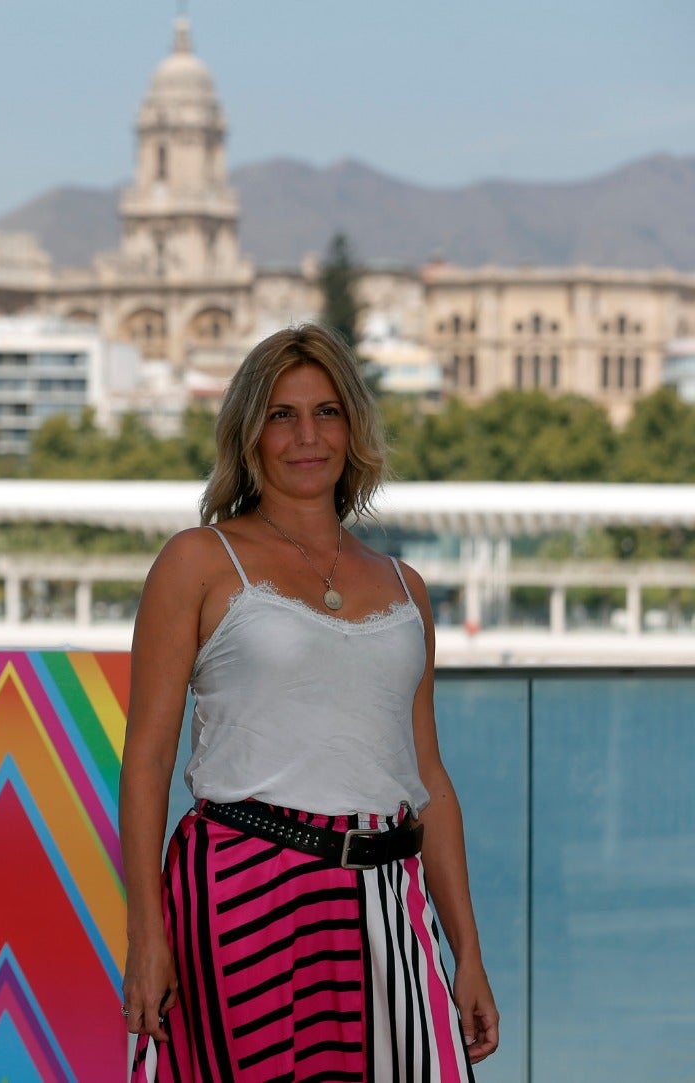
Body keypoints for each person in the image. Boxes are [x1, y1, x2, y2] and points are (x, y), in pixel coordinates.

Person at [119, 323, 498, 1081]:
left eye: (326, 412)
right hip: (243, 892)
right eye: (281, 415)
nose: (306, 436)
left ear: (353, 428)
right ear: (249, 434)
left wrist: (468, 953)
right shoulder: (198, 560)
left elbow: (429, 778)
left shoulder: (405, 587)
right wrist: (146, 931)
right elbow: (148, 758)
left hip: (392, 898)